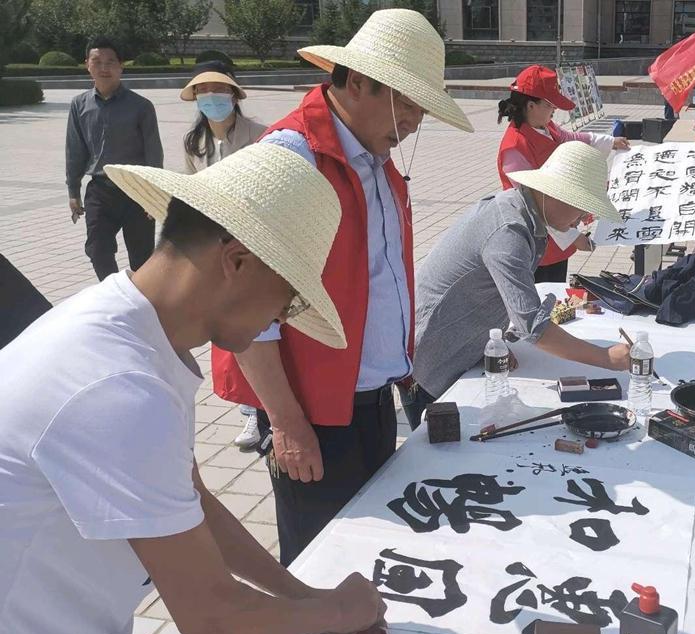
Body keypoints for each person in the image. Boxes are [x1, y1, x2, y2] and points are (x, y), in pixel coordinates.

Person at [0, 144, 387, 634]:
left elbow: (192, 502)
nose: (282, 319)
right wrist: (337, 611)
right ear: (237, 261)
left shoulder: (127, 330)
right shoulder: (118, 384)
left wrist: (304, 599)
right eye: (289, 298)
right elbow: (212, 620)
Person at [211, 9, 474, 567]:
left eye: (422, 108)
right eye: (405, 103)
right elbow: (243, 314)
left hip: (372, 397)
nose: (414, 121)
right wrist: (286, 423)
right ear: (356, 80)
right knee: (322, 561)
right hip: (312, 409)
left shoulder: (376, 160)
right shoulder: (292, 157)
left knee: (374, 553)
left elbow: (380, 276)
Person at [401, 141, 632, 428]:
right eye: (582, 207)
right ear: (555, 193)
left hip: (459, 347)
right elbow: (533, 327)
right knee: (437, 448)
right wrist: (606, 357)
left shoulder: (521, 211)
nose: (583, 219)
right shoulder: (509, 231)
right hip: (432, 366)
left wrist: (489, 343)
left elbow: (495, 294)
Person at [180, 60, 269, 449]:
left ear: (234, 94)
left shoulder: (260, 135)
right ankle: (250, 411)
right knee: (229, 329)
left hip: (254, 245)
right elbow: (191, 192)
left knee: (260, 325)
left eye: (218, 90)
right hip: (216, 248)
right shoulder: (193, 143)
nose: (211, 97)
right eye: (202, 91)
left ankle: (268, 407)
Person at [497, 64, 629, 284]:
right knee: (539, 294)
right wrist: (572, 237)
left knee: (556, 289)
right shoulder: (514, 147)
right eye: (550, 104)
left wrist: (610, 142)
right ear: (531, 105)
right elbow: (532, 202)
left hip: (558, 232)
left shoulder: (546, 126)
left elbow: (571, 140)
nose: (554, 110)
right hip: (534, 238)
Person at [66, 37, 163, 281]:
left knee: (142, 257)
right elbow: (75, 149)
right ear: (87, 65)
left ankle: (142, 298)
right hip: (100, 191)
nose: (104, 68)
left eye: (110, 62)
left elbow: (154, 153)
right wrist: (73, 191)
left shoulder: (141, 106)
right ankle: (115, 292)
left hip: (136, 191)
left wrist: (152, 196)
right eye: (97, 61)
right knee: (97, 250)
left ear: (121, 66)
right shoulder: (79, 104)